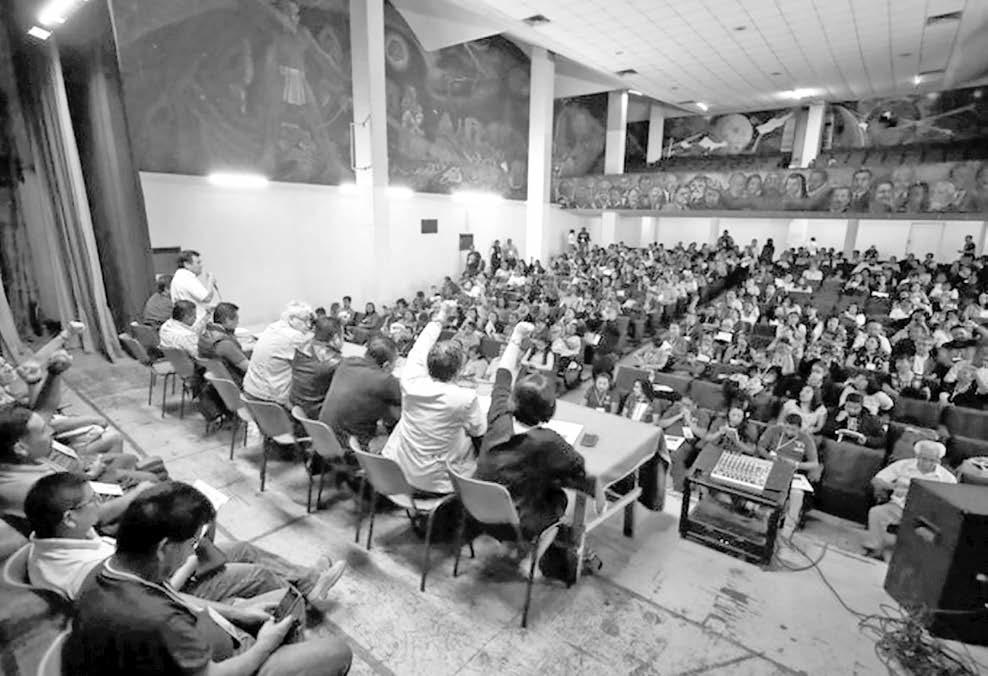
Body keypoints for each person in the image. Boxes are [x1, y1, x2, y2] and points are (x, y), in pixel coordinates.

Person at [62, 481, 352, 675]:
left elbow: (174, 598)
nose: (194, 552)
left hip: (207, 639)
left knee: (285, 600)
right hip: (224, 663)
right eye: (192, 543)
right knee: (336, 652)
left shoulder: (115, 569)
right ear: (164, 548)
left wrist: (240, 614)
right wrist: (265, 644)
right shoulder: (154, 620)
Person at [24, 472, 346, 608]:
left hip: (154, 569)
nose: (99, 502)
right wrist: (189, 557)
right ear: (70, 516)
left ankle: (308, 583)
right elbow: (156, 595)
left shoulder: (57, 537)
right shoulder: (84, 572)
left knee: (242, 548)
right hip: (173, 588)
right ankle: (295, 605)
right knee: (257, 574)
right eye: (92, 500)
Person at [476, 321, 592, 546]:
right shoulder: (548, 441)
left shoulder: (499, 415)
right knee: (557, 494)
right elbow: (578, 466)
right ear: (549, 409)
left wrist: (516, 335)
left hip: (477, 511)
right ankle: (551, 546)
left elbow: (503, 374)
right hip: (516, 524)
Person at [382, 301, 486, 495]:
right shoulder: (465, 398)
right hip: (434, 484)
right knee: (473, 445)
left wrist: (441, 316)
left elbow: (420, 346)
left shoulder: (410, 380)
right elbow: (479, 433)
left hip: (398, 472)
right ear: (458, 371)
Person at [1, 406, 160, 527]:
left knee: (147, 476)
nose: (51, 432)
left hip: (89, 498)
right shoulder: (36, 489)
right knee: (154, 490)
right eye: (43, 431)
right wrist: (136, 493)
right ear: (20, 448)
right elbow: (95, 517)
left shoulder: (26, 460)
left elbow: (65, 480)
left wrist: (89, 475)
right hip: (95, 525)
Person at [863, 440, 956, 560]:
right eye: (923, 458)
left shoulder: (948, 478)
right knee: (877, 513)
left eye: (932, 460)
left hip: (927, 514)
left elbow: (951, 502)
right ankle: (875, 548)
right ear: (917, 456)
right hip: (899, 507)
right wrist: (894, 487)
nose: (927, 463)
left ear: (939, 460)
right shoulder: (903, 465)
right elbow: (876, 481)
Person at [319, 335, 401, 451]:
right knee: (398, 441)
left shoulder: (348, 362)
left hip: (323, 435)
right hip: (349, 446)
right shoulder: (385, 380)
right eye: (395, 363)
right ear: (386, 365)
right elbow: (408, 400)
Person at [756, 413, 821, 537]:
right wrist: (769, 457)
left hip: (792, 471)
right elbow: (760, 447)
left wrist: (796, 464)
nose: (789, 431)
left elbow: (814, 464)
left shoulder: (806, 439)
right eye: (787, 428)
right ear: (783, 425)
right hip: (771, 467)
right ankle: (764, 522)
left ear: (799, 429)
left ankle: (787, 532)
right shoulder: (774, 430)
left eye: (793, 430)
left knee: (797, 494)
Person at [243, 301, 314, 407]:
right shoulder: (293, 336)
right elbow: (312, 365)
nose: (308, 325)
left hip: (251, 392)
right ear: (292, 319)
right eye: (305, 320)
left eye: (310, 320)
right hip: (269, 400)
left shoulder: (272, 327)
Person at [290, 316, 343, 420]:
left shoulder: (300, 348)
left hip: (295, 404)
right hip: (315, 414)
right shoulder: (335, 362)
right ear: (336, 337)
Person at [198, 302, 250, 388]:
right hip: (238, 385)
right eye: (236, 319)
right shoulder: (225, 343)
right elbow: (249, 369)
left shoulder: (207, 335)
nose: (238, 322)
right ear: (227, 320)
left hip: (218, 388)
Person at [822, 391, 886, 448]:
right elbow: (824, 432)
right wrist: (836, 421)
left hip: (859, 448)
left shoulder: (870, 419)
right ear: (844, 405)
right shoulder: (835, 413)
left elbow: (882, 439)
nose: (851, 410)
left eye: (856, 408)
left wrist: (867, 440)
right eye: (849, 407)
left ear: (861, 407)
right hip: (838, 444)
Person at [170, 250, 220, 322]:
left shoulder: (179, 277)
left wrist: (205, 307)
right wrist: (210, 282)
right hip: (196, 322)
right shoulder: (187, 278)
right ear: (187, 264)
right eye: (198, 263)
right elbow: (207, 298)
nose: (201, 266)